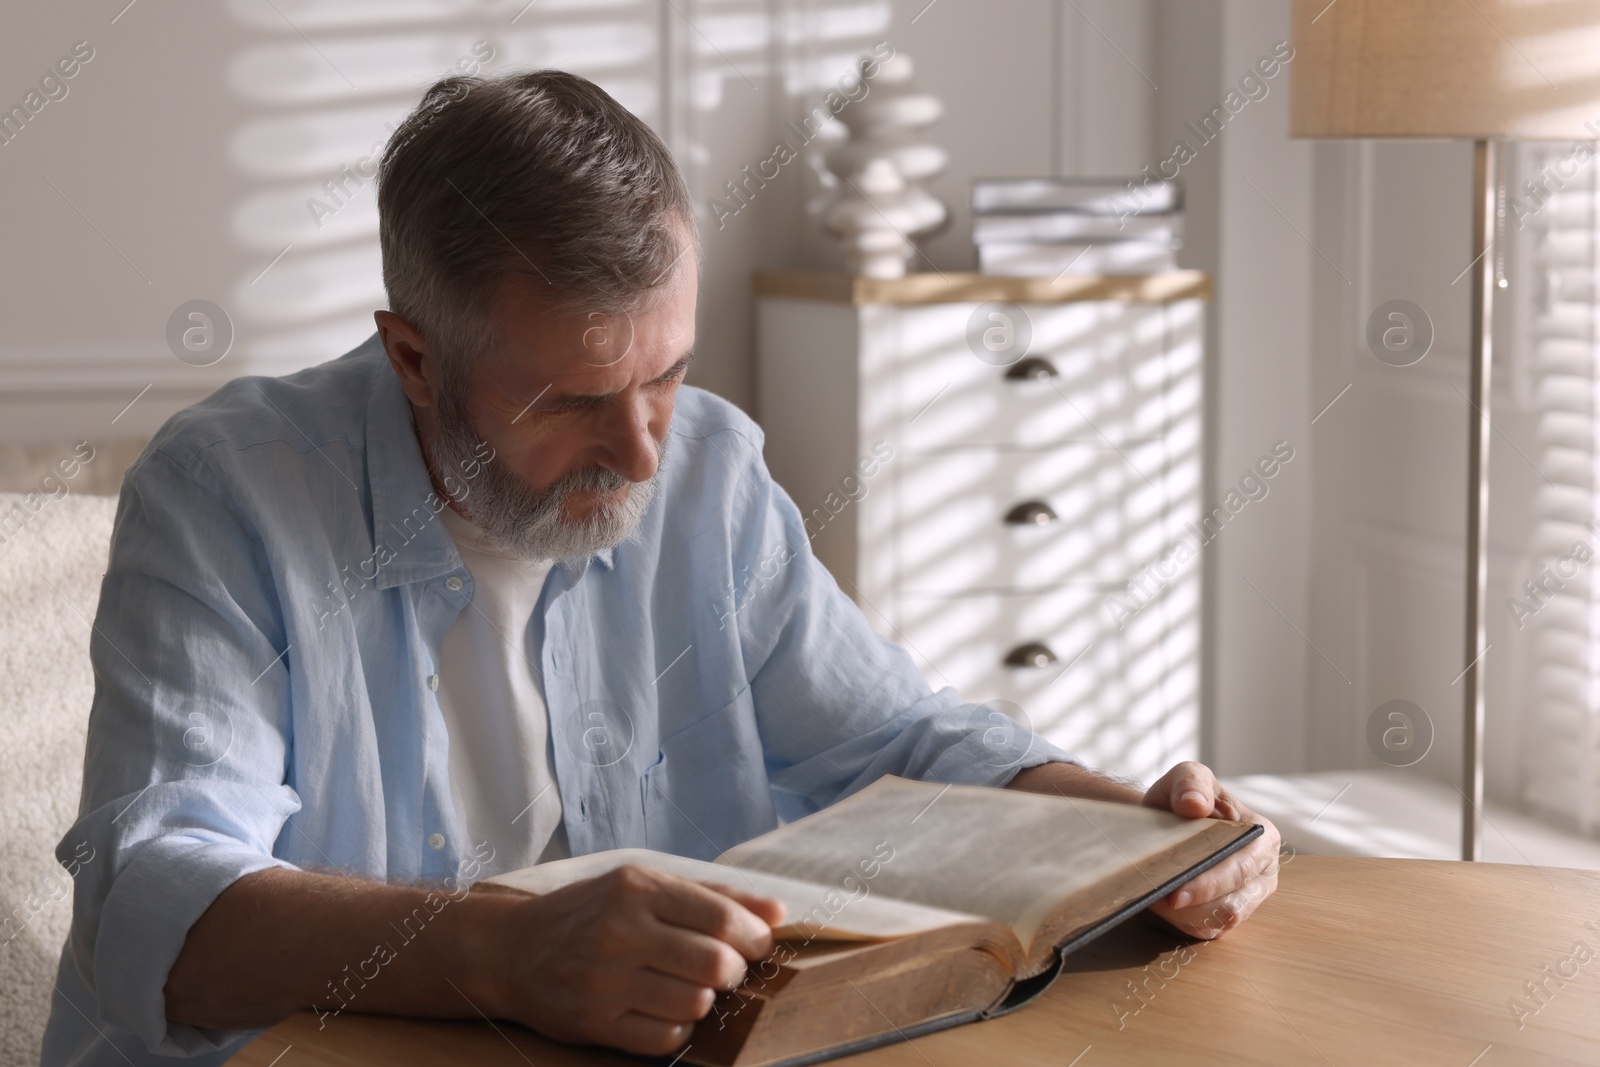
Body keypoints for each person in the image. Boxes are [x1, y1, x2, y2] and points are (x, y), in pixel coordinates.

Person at [41, 69, 1279, 1067]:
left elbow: (894, 737)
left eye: (668, 372)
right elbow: (154, 901)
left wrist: (1136, 836)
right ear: (413, 357)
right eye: (573, 398)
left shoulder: (711, 472)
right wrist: (506, 951)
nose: (641, 450)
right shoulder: (225, 490)